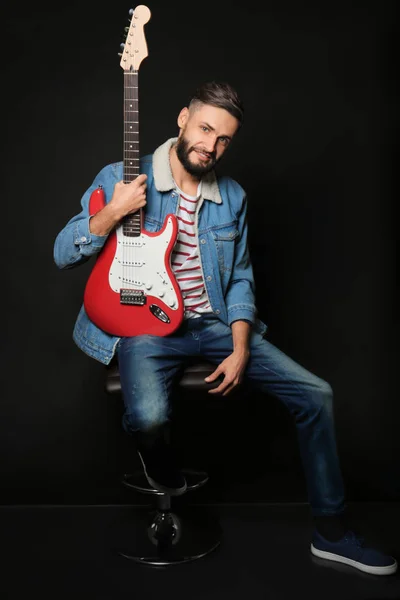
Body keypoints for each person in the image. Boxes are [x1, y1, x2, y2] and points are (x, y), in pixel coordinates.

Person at [53, 81, 397, 576]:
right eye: (204, 129)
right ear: (182, 119)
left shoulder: (231, 196)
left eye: (224, 140)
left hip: (213, 326)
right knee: (149, 418)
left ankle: (332, 532)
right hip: (145, 326)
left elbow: (238, 279)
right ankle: (159, 465)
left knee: (316, 394)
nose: (210, 146)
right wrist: (112, 212)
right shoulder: (121, 176)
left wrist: (239, 348)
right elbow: (63, 253)